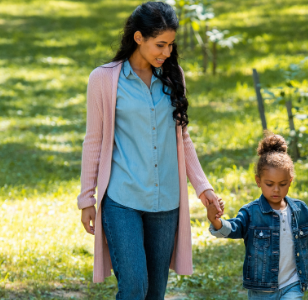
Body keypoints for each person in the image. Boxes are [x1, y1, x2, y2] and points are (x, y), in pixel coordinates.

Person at [76, 2, 222, 299]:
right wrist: (86, 198)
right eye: (160, 44)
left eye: (170, 44)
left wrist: (203, 188)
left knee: (154, 293)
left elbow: (183, 138)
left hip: (166, 202)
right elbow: (94, 140)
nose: (166, 52)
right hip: (122, 199)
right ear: (138, 38)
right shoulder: (103, 79)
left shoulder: (173, 76)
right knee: (134, 288)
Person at [207, 133, 308, 299]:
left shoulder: (299, 209)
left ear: (290, 181)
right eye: (269, 184)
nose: (276, 190)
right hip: (261, 290)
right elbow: (235, 228)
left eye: (282, 184)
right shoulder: (251, 212)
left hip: (292, 284)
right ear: (258, 181)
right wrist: (216, 221)